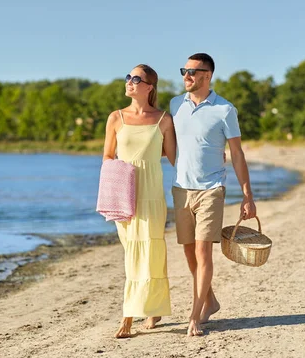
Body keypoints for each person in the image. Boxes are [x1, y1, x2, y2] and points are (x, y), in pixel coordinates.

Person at [170, 53, 257, 337]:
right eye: (184, 70)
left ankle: (194, 314)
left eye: (192, 72)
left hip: (211, 190)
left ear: (207, 75)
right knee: (188, 252)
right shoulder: (175, 105)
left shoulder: (225, 110)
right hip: (181, 189)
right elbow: (166, 142)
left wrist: (247, 195)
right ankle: (210, 300)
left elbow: (237, 153)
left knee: (202, 250)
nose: (186, 76)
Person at [102, 64, 177, 338]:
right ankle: (145, 308)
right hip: (125, 195)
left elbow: (175, 159)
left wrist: (215, 156)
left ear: (149, 87)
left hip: (152, 196)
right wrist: (116, 189)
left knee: (152, 252)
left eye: (136, 78)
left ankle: (131, 316)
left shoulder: (163, 120)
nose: (129, 82)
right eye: (128, 77)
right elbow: (108, 158)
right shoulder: (116, 118)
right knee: (132, 253)